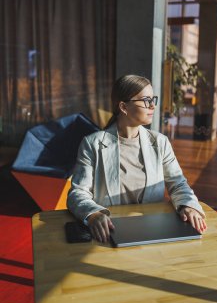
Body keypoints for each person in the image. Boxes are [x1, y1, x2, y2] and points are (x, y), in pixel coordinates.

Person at [67, 74, 207, 243]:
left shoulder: (160, 142)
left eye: (153, 99)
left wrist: (187, 205)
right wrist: (93, 214)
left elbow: (178, 184)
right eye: (146, 100)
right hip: (110, 231)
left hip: (154, 230)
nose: (153, 106)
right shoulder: (92, 144)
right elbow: (78, 193)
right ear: (124, 107)